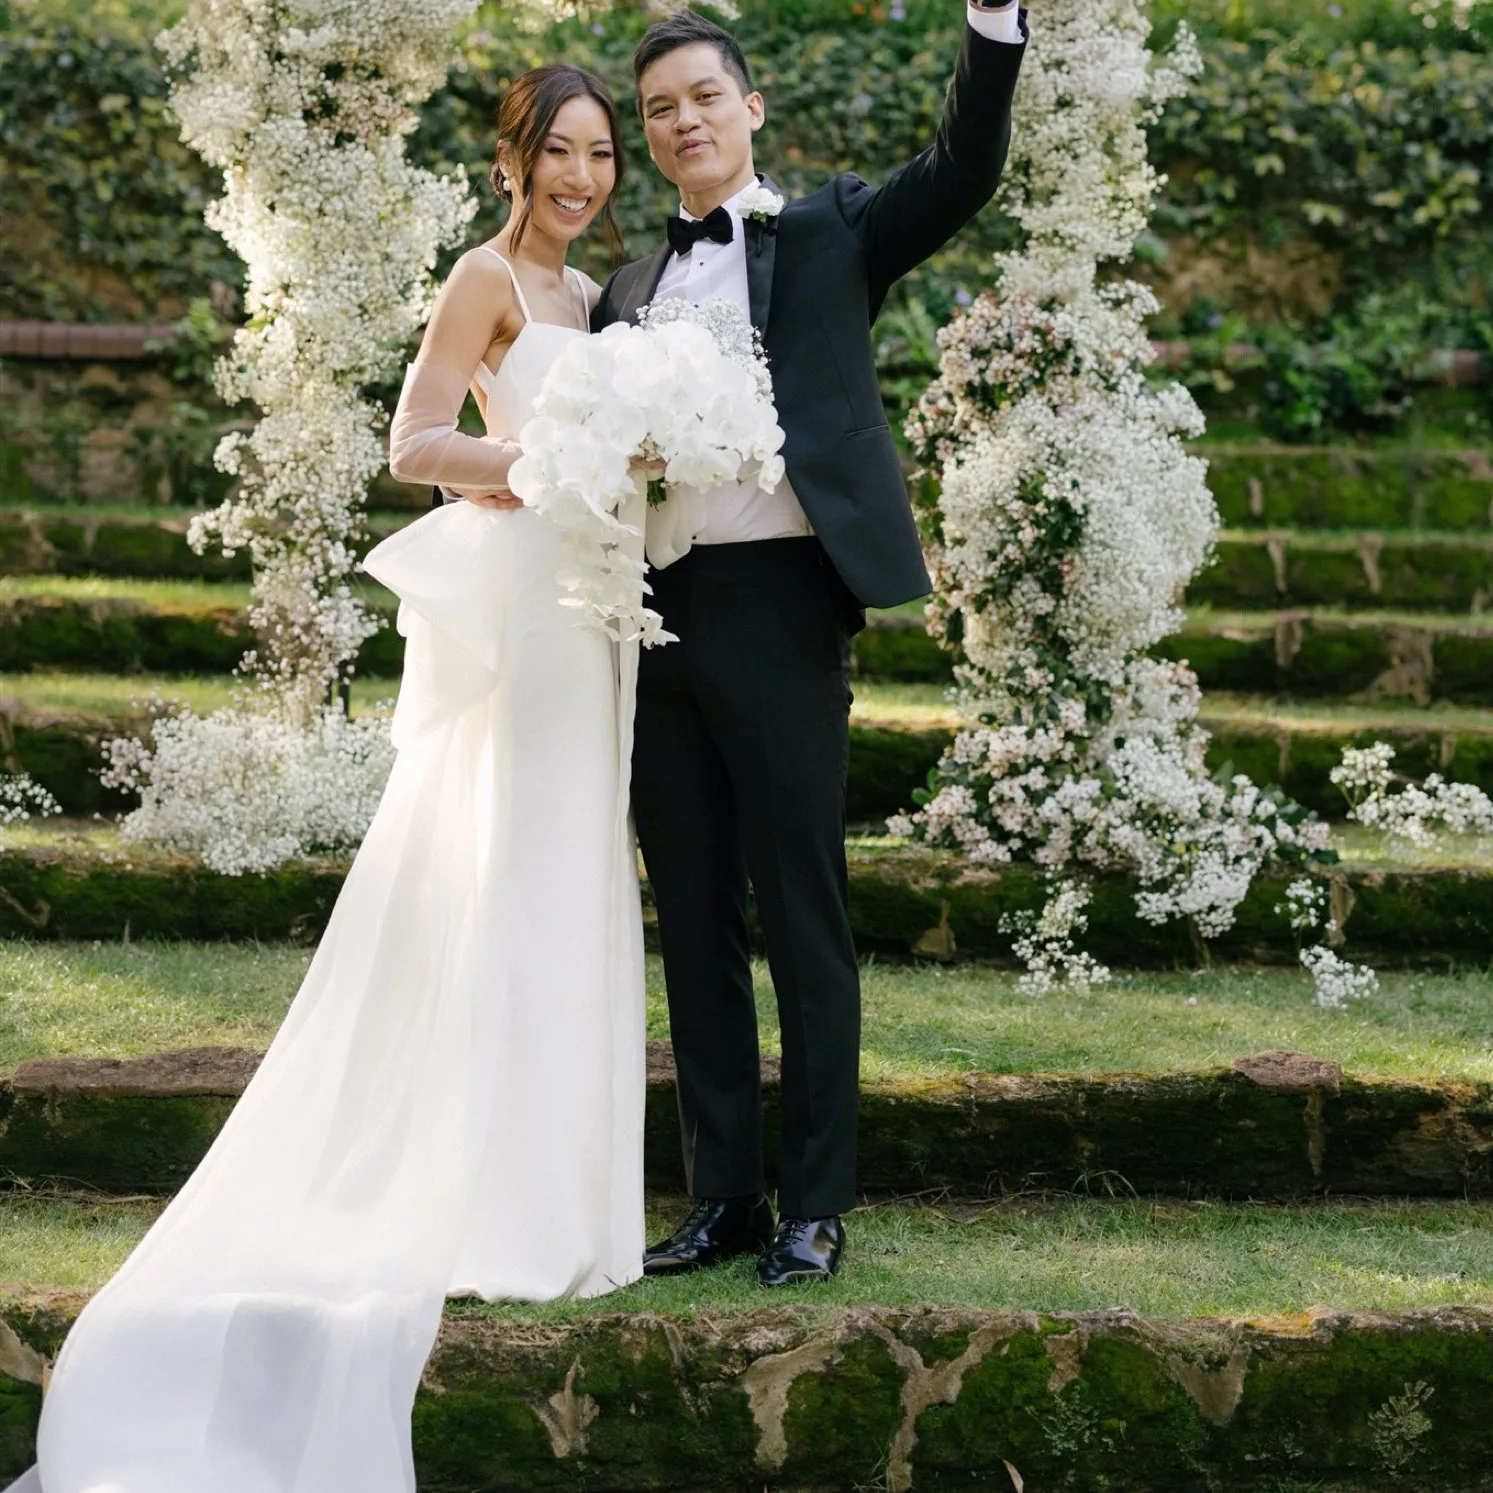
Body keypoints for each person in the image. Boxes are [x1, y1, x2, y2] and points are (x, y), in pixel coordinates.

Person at [7, 65, 642, 1493]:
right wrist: (537, 461)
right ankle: (480, 1198)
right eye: (562, 151)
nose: (583, 176)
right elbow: (413, 440)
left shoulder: (603, 303)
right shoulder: (482, 280)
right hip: (522, 613)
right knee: (503, 876)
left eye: (602, 155)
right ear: (516, 159)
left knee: (571, 888)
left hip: (595, 622)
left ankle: (568, 1201)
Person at [593, 3, 1027, 1286]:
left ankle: (813, 1203)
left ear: (748, 107)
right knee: (694, 916)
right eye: (660, 108)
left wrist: (988, 27)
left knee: (801, 905)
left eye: (702, 98)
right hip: (655, 616)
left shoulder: (832, 227)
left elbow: (961, 168)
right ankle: (721, 1192)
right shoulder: (628, 286)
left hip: (783, 604)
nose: (683, 122)